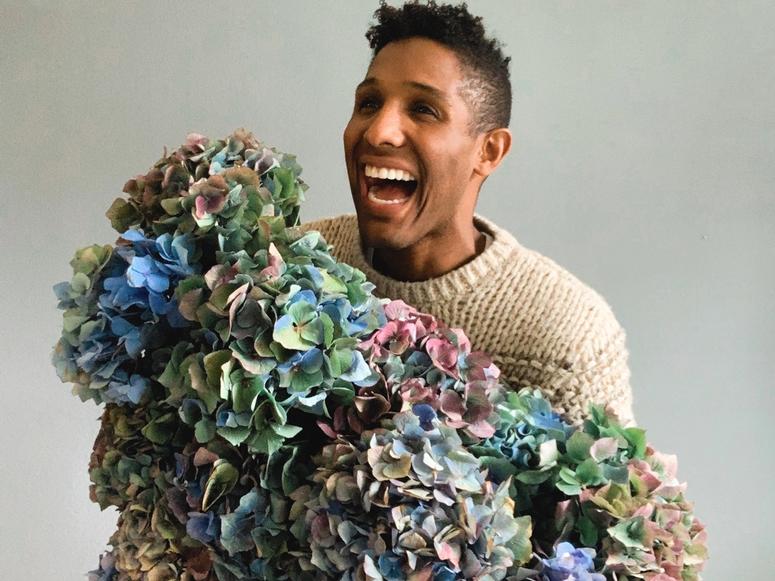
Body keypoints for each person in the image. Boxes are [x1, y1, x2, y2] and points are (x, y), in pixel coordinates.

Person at [302, 0, 635, 426]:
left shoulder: (566, 337)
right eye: (369, 103)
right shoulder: (294, 264)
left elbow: (607, 470)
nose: (379, 131)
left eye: (423, 109)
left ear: (488, 151)